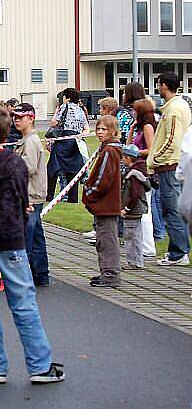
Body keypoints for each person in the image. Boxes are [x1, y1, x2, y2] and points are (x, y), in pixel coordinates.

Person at [0, 106, 64, 385]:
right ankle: (39, 365)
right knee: (23, 302)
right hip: (11, 236)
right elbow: (21, 194)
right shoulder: (16, 164)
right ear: (8, 133)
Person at [148, 72, 192, 266]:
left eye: (159, 84)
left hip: (169, 164)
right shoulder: (178, 106)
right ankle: (179, 250)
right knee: (174, 208)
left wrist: (155, 158)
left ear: (164, 85)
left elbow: (172, 139)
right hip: (174, 163)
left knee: (171, 209)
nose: (158, 88)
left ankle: (179, 252)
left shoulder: (174, 109)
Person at [82, 115, 122, 287]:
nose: (99, 132)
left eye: (103, 129)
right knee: (103, 239)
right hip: (106, 204)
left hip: (106, 204)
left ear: (112, 131)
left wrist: (89, 192)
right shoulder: (107, 149)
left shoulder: (109, 151)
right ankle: (106, 271)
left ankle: (111, 274)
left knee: (107, 240)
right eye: (98, 129)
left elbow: (103, 179)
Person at [13, 103, 50, 286]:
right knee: (36, 237)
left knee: (27, 238)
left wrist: (9, 166)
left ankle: (25, 276)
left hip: (31, 195)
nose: (17, 120)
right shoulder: (26, 139)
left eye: (21, 117)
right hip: (31, 194)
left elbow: (28, 167)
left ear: (31, 118)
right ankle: (40, 274)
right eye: (15, 117)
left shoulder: (31, 141)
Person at [127, 98, 159, 257]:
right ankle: (142, 244)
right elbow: (129, 144)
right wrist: (132, 130)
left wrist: (136, 153)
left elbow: (151, 149)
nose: (132, 112)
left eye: (135, 110)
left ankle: (148, 246)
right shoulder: (139, 128)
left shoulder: (148, 127)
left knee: (144, 208)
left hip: (143, 169)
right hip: (136, 166)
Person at [46, 88, 86, 203]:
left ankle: (49, 195)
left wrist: (55, 113)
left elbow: (54, 123)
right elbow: (86, 128)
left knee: (53, 168)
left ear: (67, 98)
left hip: (63, 140)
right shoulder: (81, 110)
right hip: (75, 141)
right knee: (73, 171)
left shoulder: (64, 107)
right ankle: (73, 199)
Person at [121, 144, 151, 270]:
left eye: (123, 157)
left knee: (131, 237)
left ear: (129, 158)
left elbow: (135, 194)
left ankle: (134, 262)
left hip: (133, 210)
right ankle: (137, 261)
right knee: (136, 236)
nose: (122, 160)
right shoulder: (139, 172)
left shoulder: (134, 174)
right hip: (136, 209)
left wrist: (126, 208)